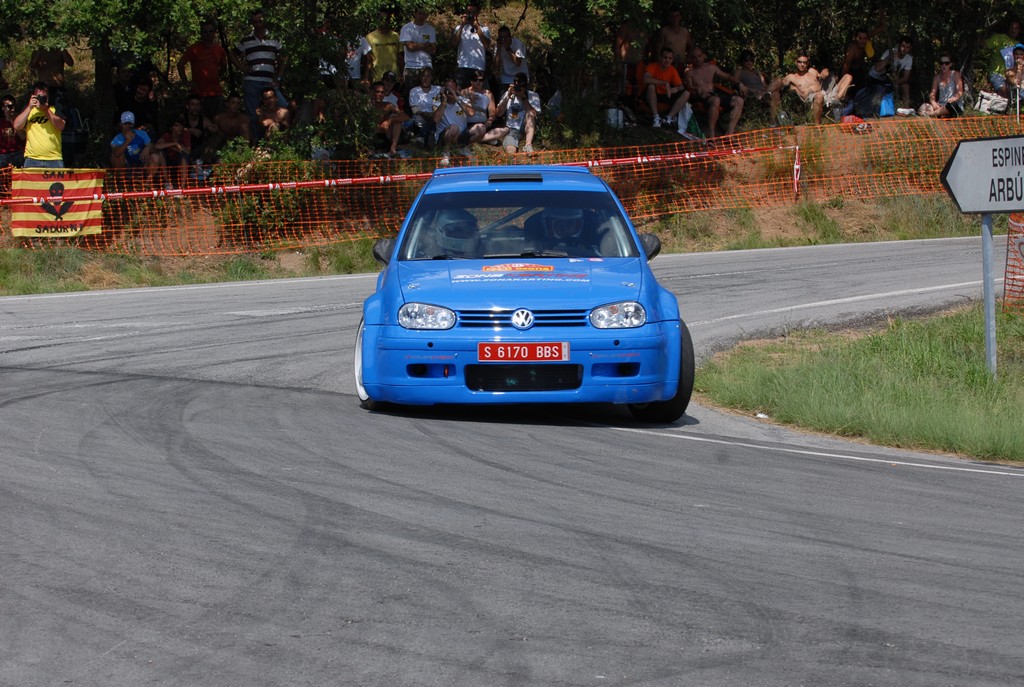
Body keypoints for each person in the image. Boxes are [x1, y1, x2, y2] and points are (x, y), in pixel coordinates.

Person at [232, 8, 287, 125]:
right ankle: (256, 136)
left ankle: (277, 133)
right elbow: (232, 54)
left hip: (269, 82)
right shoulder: (246, 40)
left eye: (260, 21)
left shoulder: (274, 38)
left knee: (283, 106)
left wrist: (278, 77)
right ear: (252, 23)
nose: (258, 25)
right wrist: (242, 67)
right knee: (253, 114)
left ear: (265, 21)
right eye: (255, 22)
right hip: (252, 81)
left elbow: (283, 58)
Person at [683, 47, 743, 137]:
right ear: (690, 59)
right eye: (694, 57)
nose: (697, 59)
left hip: (714, 93)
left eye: (699, 56)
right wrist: (698, 91)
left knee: (739, 100)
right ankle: (711, 134)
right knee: (715, 100)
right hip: (701, 97)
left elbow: (727, 76)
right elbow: (689, 91)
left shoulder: (711, 67)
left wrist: (739, 83)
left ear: (703, 56)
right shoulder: (689, 72)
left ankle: (729, 133)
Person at [779, 52, 853, 124]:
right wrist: (790, 89)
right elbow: (780, 86)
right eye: (800, 62)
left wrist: (825, 71)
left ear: (807, 63)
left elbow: (822, 75)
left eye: (805, 62)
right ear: (796, 62)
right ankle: (817, 126)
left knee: (848, 77)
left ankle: (837, 99)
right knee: (819, 96)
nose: (802, 65)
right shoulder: (791, 77)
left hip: (825, 94)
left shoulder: (812, 71)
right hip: (811, 100)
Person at [177, 21, 228, 121]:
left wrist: (216, 76)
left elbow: (224, 67)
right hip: (199, 94)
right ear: (201, 34)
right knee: (199, 121)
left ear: (214, 33)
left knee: (215, 122)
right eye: (205, 31)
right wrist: (186, 81)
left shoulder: (220, 50)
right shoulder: (194, 48)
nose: (208, 34)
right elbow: (180, 64)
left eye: (211, 31)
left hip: (215, 93)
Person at [12, 81, 65, 168]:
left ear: (48, 97)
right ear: (33, 97)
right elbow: (17, 126)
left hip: (54, 159)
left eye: (44, 97)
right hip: (32, 159)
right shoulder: (28, 110)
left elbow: (61, 126)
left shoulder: (54, 109)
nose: (41, 99)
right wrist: (29, 107)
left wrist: (46, 110)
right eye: (39, 97)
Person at [644, 46, 690, 131]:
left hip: (667, 94)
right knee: (651, 86)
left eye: (670, 58)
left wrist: (676, 89)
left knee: (686, 93)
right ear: (660, 58)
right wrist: (664, 83)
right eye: (665, 57)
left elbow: (681, 86)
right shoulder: (653, 66)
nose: (667, 60)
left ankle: (668, 118)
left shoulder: (672, 70)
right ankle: (656, 117)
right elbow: (646, 79)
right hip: (653, 94)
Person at [110, 111, 162, 184]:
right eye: (125, 123)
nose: (128, 126)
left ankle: (147, 183)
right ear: (121, 124)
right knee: (116, 155)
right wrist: (127, 141)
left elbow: (153, 147)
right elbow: (115, 154)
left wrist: (148, 148)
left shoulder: (142, 133)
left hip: (141, 164)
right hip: (127, 166)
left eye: (130, 123)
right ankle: (122, 181)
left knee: (155, 156)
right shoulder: (117, 138)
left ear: (133, 124)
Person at [494, 72, 540, 154]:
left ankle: (528, 145)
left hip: (527, 127)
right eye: (516, 85)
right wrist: (508, 96)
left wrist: (524, 98)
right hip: (512, 129)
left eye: (522, 85)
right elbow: (498, 113)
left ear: (526, 86)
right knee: (510, 149)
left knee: (530, 113)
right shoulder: (507, 94)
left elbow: (535, 114)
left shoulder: (533, 95)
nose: (519, 88)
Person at [432, 77, 482, 151]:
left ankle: (463, 149)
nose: (450, 92)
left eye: (452, 89)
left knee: (480, 127)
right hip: (444, 136)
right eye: (448, 89)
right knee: (454, 127)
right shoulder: (437, 102)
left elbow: (471, 113)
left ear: (456, 89)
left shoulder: (464, 100)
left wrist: (457, 99)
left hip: (461, 135)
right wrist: (443, 102)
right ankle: (446, 152)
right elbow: (436, 119)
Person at [463, 69, 508, 145]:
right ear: (471, 81)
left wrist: (489, 121)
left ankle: (480, 139)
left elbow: (492, 111)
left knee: (505, 130)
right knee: (478, 129)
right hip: (469, 123)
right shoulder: (464, 92)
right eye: (475, 80)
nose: (478, 82)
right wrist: (469, 100)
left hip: (484, 123)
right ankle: (484, 139)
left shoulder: (488, 93)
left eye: (480, 80)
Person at [451, 2, 491, 87]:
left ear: (478, 13)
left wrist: (477, 27)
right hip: (463, 65)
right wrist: (462, 25)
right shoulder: (459, 28)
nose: (471, 15)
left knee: (480, 92)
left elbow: (486, 45)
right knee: (460, 91)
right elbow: (454, 43)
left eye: (474, 12)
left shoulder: (484, 29)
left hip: (479, 66)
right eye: (469, 12)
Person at [733, 50, 780, 120]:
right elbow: (735, 81)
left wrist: (772, 87)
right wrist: (746, 88)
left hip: (763, 92)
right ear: (742, 61)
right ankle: (772, 121)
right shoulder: (739, 71)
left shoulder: (757, 72)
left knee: (777, 84)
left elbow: (764, 85)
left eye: (751, 60)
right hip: (753, 94)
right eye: (746, 60)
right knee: (775, 95)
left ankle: (772, 121)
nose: (749, 62)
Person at [399, 7, 436, 96]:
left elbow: (433, 49)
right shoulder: (407, 28)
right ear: (415, 14)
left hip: (426, 65)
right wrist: (425, 45)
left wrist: (417, 45)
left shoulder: (430, 29)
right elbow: (410, 47)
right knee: (410, 94)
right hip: (411, 67)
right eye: (419, 14)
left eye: (424, 14)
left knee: (427, 94)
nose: (421, 16)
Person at [984, 19, 1022, 96]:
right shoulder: (999, 38)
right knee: (1004, 91)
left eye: (1016, 28)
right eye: (1012, 28)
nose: (1013, 30)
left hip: (1011, 76)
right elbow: (983, 45)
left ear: (1019, 30)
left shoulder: (1019, 45)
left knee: (1018, 93)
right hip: (996, 73)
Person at [372, 80, 409, 155]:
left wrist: (390, 120)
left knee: (397, 122)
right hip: (372, 135)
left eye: (382, 92)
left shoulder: (388, 105)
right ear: (372, 92)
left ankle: (393, 149)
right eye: (377, 92)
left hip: (385, 134)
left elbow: (406, 116)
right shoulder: (367, 105)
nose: (380, 94)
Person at [408, 67, 442, 147]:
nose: (425, 79)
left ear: (431, 77)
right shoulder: (414, 91)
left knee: (433, 121)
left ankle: (422, 137)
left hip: (433, 117)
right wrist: (423, 114)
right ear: (420, 78)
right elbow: (414, 108)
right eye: (423, 76)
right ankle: (427, 137)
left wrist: (432, 114)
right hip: (419, 118)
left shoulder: (437, 89)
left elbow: (436, 105)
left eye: (428, 76)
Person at [154, 116, 191, 187]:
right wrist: (174, 144)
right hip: (168, 162)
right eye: (176, 126)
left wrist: (177, 149)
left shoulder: (186, 133)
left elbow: (188, 151)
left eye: (181, 125)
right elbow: (156, 146)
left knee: (184, 156)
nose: (179, 128)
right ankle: (167, 182)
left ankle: (183, 186)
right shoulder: (167, 135)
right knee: (161, 152)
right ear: (171, 128)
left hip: (180, 161)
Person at [366, 15, 402, 83]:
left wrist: (401, 75)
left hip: (394, 77)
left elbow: (401, 57)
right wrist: (367, 78)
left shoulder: (396, 36)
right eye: (381, 19)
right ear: (377, 20)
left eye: (386, 19)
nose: (384, 22)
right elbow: (368, 60)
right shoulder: (370, 37)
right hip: (377, 77)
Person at [181, 94, 217, 161]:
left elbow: (215, 130)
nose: (195, 107)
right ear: (187, 106)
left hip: (198, 151)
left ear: (200, 107)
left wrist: (214, 127)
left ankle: (204, 162)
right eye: (192, 104)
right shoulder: (182, 118)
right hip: (183, 150)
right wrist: (191, 130)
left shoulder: (204, 120)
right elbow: (173, 130)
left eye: (198, 105)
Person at [0, 95, 25, 168]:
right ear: (3, 108)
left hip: (17, 153)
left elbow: (23, 136)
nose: (10, 108)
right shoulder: (1, 122)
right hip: (3, 154)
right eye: (7, 106)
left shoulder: (19, 120)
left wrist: (11, 119)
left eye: (11, 106)